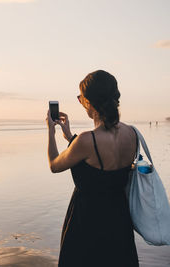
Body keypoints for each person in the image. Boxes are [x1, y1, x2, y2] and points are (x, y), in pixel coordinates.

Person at [46, 70, 139, 266]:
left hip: (87, 223)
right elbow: (98, 158)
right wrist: (70, 136)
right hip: (119, 221)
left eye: (81, 98)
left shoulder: (86, 141)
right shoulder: (131, 133)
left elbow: (54, 165)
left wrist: (51, 132)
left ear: (89, 102)